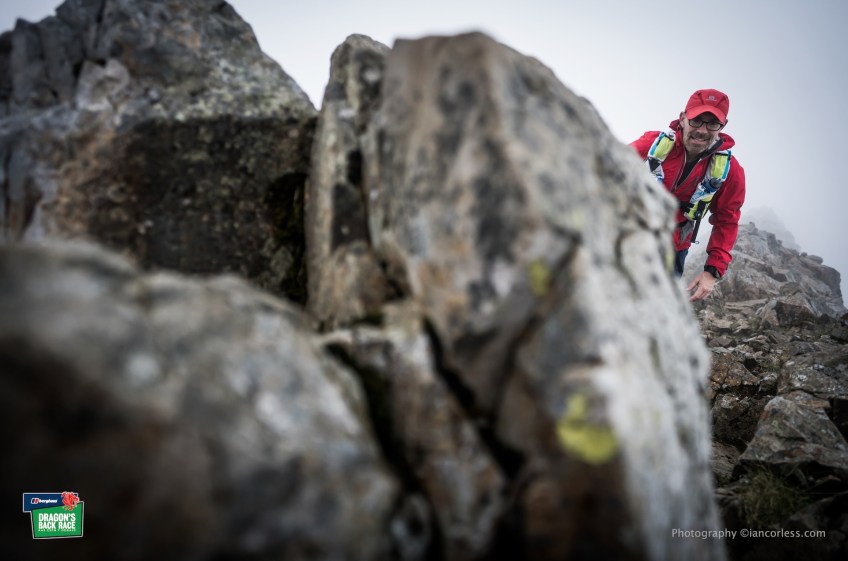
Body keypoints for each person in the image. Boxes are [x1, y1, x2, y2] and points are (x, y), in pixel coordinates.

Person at [630, 88, 746, 301]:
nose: (702, 130)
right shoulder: (652, 145)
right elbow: (606, 168)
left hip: (673, 250)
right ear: (683, 118)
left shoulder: (730, 171)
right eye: (696, 120)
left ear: (722, 126)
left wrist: (712, 271)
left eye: (712, 123)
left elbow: (727, 220)